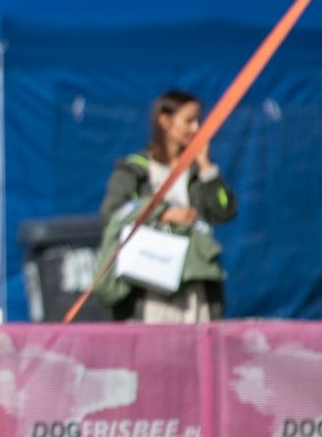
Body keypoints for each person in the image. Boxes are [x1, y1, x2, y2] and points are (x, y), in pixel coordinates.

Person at [98, 90, 238, 323]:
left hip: (195, 286)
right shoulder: (136, 169)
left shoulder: (197, 170)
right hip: (150, 286)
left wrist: (206, 166)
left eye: (198, 121)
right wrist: (163, 215)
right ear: (164, 121)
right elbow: (113, 213)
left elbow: (224, 211)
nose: (196, 128)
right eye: (189, 121)